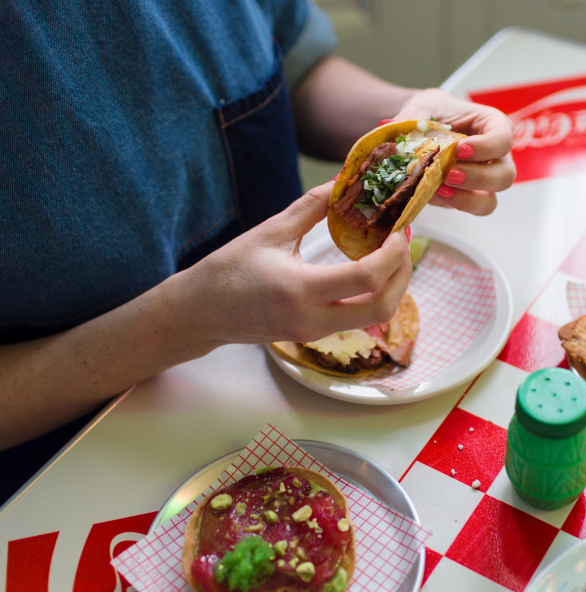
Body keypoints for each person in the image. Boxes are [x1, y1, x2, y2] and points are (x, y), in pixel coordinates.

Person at [0, 1, 515, 503]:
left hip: (296, 408)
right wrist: (194, 319)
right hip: (70, 466)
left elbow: (298, 69)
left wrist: (414, 122)